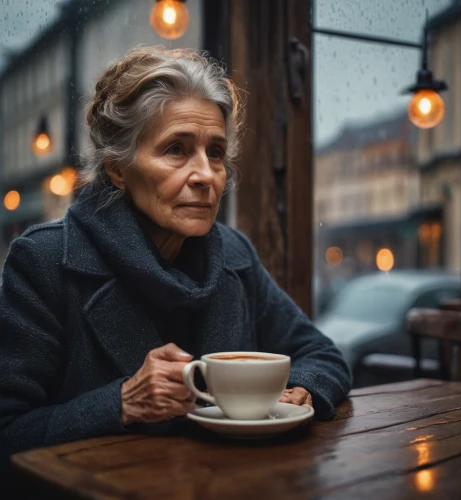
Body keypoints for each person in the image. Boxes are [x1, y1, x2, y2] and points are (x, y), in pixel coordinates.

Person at [0, 47, 351, 484]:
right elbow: (8, 432)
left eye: (216, 152)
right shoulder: (46, 261)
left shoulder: (234, 256)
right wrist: (122, 402)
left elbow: (323, 356)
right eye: (176, 150)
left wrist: (304, 389)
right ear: (118, 170)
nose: (206, 175)